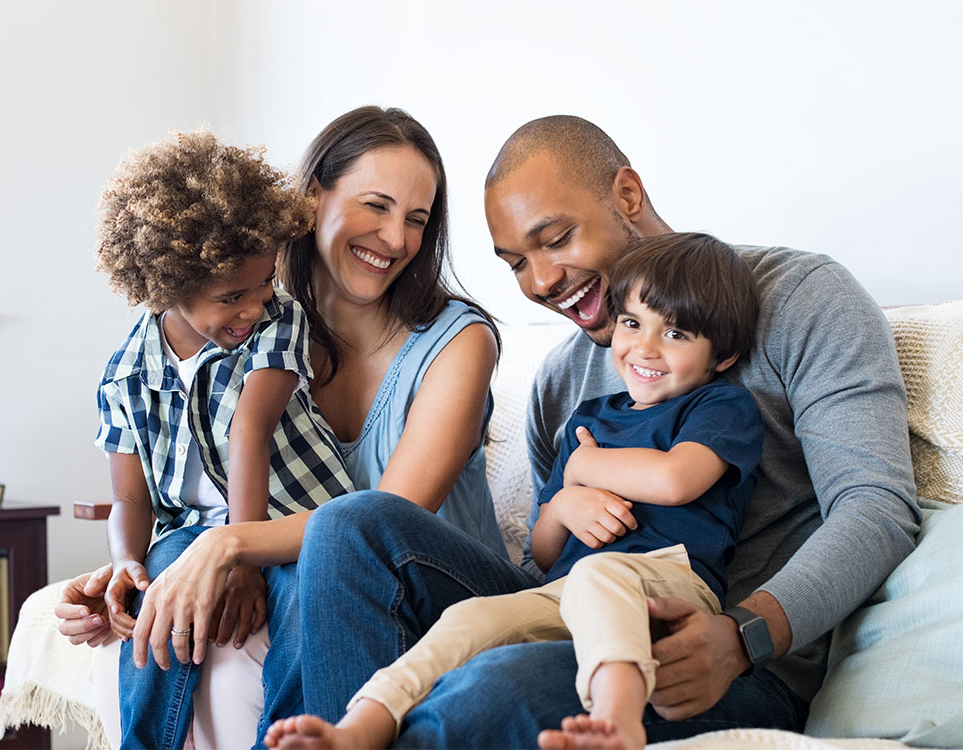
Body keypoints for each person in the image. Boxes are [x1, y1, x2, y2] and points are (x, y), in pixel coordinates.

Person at [286, 114, 920, 747]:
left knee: (491, 688)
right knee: (352, 525)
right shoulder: (562, 381)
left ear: (626, 195)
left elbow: (876, 508)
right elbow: (548, 560)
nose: (540, 283)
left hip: (720, 655)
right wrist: (563, 507)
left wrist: (744, 635)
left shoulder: (802, 299)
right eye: (516, 264)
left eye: (556, 238)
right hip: (577, 610)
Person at [55, 106, 517, 749]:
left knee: (327, 551)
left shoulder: (457, 343)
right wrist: (132, 572)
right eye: (376, 206)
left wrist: (229, 545)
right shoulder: (253, 330)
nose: (395, 238)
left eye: (416, 219)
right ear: (309, 200)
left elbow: (386, 520)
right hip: (312, 569)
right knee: (181, 584)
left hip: (434, 591)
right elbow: (179, 483)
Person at [264, 232, 764, 750]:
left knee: (600, 573)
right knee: (470, 618)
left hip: (670, 585)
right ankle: (361, 726)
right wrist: (565, 501)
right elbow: (545, 553)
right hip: (564, 591)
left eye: (676, 334)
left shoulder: (719, 407)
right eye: (632, 323)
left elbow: (675, 479)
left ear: (722, 355)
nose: (645, 348)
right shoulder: (589, 418)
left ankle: (619, 720)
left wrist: (585, 466)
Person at [91, 129, 354, 750]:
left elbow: (249, 431)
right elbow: (131, 500)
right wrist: (128, 561)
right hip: (189, 533)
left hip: (296, 520)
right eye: (231, 296)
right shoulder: (125, 375)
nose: (253, 306)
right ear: (165, 286)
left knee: (303, 604)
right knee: (160, 593)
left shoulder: (277, 319)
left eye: (263, 283)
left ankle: (288, 740)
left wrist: (241, 557)